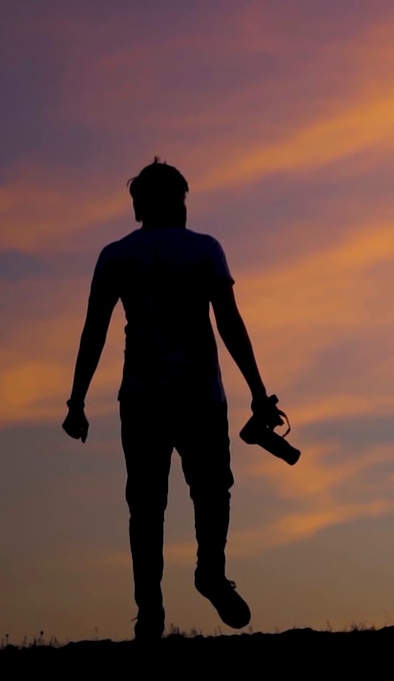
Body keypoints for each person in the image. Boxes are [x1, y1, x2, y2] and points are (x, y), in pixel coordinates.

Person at [60, 157, 285, 641]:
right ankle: (209, 573)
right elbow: (230, 323)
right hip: (200, 395)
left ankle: (151, 613)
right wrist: (258, 393)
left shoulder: (117, 255)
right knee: (212, 490)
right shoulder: (204, 249)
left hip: (142, 398)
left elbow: (93, 331)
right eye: (181, 197)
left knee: (145, 505)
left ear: (139, 207)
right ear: (175, 201)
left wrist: (76, 400)